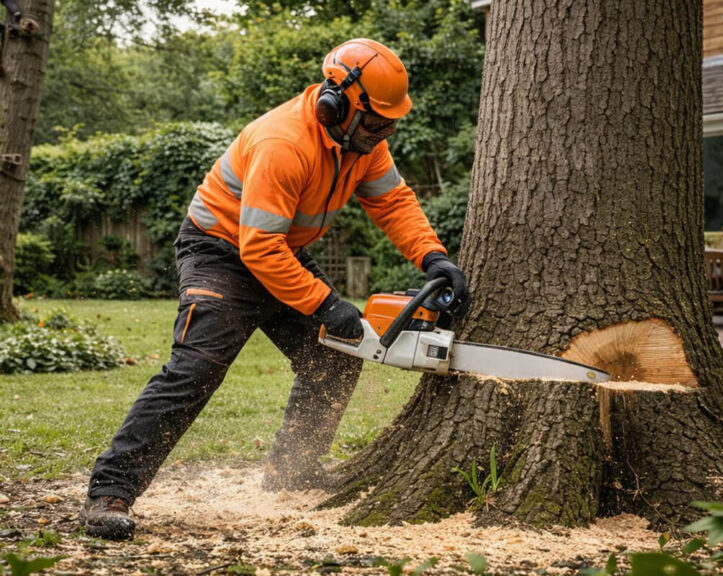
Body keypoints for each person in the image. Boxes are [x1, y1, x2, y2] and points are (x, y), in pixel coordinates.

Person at [78, 38, 470, 541]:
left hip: (279, 249)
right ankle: (110, 490)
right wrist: (325, 303)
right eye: (376, 123)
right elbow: (257, 247)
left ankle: (292, 471)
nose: (382, 134)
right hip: (221, 252)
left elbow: (392, 201)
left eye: (390, 123)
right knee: (196, 368)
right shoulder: (282, 143)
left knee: (333, 356)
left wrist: (432, 256)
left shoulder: (363, 143)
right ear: (338, 103)